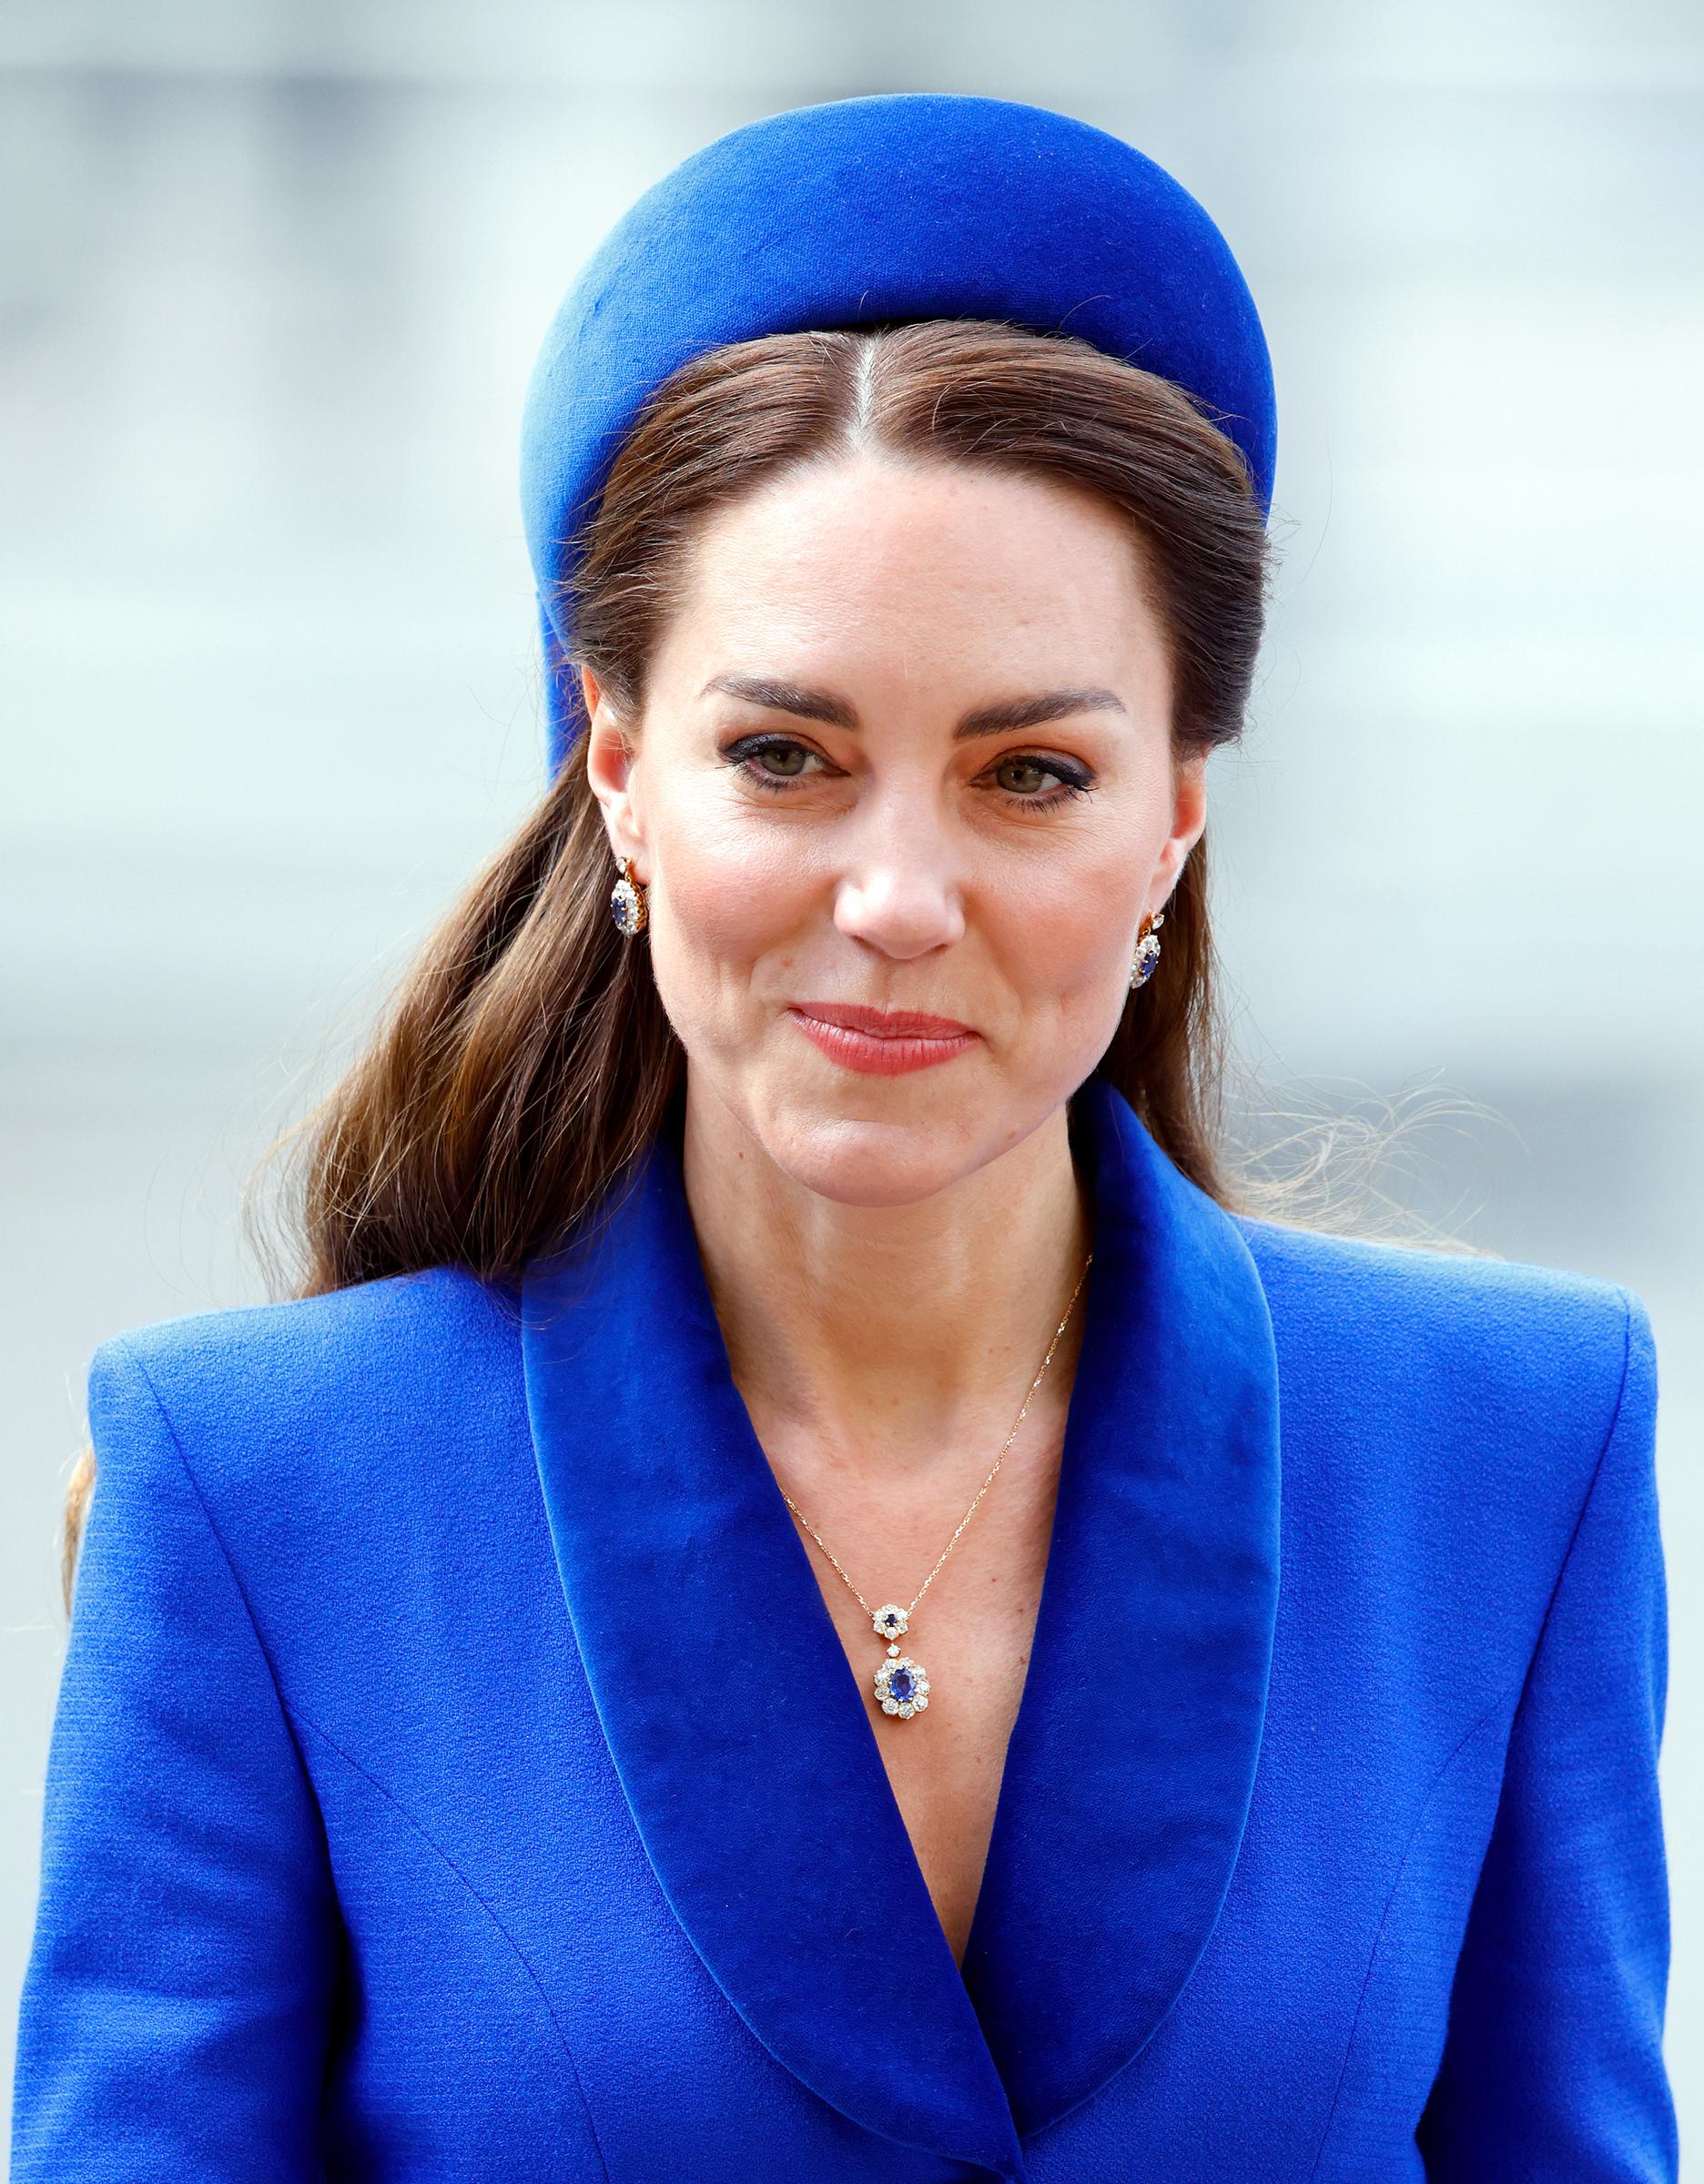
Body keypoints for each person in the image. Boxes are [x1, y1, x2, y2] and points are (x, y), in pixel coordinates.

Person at [12, 94, 1676, 2184]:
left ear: (1175, 817)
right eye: (786, 756)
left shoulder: (1507, 1460)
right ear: (619, 769)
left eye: (1029, 774)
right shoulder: (263, 1491)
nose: (896, 898)